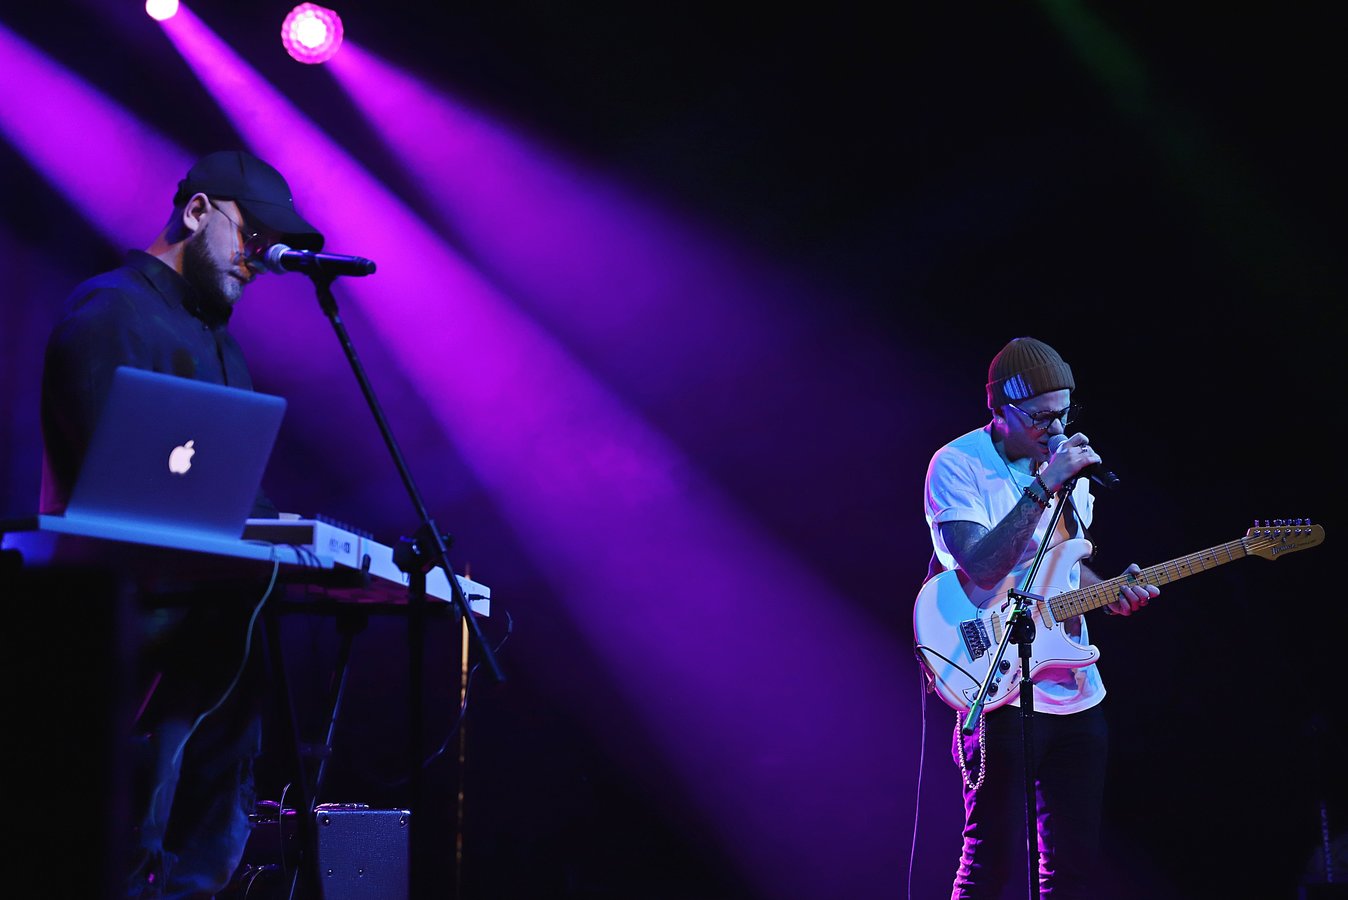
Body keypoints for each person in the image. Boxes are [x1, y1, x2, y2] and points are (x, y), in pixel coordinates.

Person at [40, 150, 322, 898]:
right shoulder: (112, 311)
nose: (259, 259)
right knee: (122, 856)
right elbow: (117, 484)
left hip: (209, 649)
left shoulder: (224, 344)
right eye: (251, 235)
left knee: (203, 856)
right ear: (197, 212)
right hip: (130, 651)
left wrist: (307, 534)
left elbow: (228, 494)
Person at [921, 336, 1160, 899]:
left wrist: (1111, 592)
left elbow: (1062, 572)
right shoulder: (958, 464)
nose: (1055, 429)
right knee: (990, 863)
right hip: (997, 682)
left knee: (1070, 869)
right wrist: (1043, 484)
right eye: (1040, 417)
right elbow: (981, 568)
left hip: (1076, 690)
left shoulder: (1071, 478)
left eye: (1063, 414)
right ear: (999, 408)